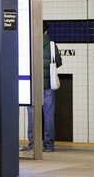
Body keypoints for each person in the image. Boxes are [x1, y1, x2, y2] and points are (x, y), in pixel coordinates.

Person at [26, 21, 62, 152]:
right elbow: (58, 62)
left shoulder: (28, 43)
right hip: (48, 86)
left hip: (32, 84)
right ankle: (48, 145)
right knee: (48, 115)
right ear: (46, 31)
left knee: (32, 114)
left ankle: (33, 145)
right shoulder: (52, 45)